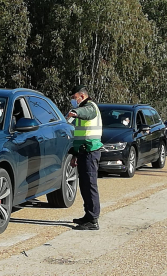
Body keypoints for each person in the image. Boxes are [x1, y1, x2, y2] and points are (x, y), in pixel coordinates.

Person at [67, 85, 103, 230]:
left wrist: (75, 112)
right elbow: (80, 136)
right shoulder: (83, 109)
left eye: (74, 98)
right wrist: (75, 154)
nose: (73, 100)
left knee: (90, 185)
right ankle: (88, 215)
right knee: (84, 186)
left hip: (90, 151)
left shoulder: (90, 107)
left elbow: (87, 113)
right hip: (83, 152)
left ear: (82, 96)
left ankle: (93, 220)